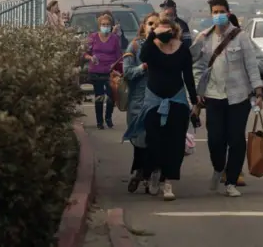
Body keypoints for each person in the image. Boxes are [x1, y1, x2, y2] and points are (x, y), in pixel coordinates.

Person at [190, 0, 263, 197]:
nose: (218, 15)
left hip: (238, 96)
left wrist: (258, 91)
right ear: (210, 14)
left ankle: (231, 181)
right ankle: (218, 168)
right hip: (213, 95)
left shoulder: (241, 37)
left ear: (228, 13)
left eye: (222, 11)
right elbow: (195, 63)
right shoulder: (204, 37)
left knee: (236, 139)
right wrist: (197, 92)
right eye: (215, 12)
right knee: (215, 139)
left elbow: (251, 64)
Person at [135, 15, 197, 201]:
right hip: (154, 101)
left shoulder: (183, 50)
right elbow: (143, 57)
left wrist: (194, 102)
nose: (163, 33)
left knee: (175, 144)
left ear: (174, 31)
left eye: (166, 30)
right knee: (154, 142)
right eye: (159, 29)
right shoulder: (151, 47)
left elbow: (188, 76)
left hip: (177, 101)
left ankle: (169, 182)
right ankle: (154, 173)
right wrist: (152, 35)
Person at [122, 12, 159, 194]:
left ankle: (146, 175)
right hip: (138, 100)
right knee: (140, 140)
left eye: (157, 24)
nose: (153, 26)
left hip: (159, 100)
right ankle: (139, 172)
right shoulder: (135, 46)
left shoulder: (165, 46)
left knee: (154, 141)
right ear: (143, 26)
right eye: (150, 23)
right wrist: (143, 67)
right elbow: (127, 72)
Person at [84, 13, 122, 129]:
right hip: (96, 70)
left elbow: (118, 56)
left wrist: (116, 67)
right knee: (99, 96)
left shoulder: (114, 39)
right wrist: (91, 58)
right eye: (103, 24)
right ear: (99, 25)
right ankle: (99, 122)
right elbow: (85, 53)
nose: (105, 26)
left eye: (107, 24)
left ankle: (108, 118)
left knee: (111, 96)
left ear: (111, 26)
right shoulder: (93, 37)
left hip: (109, 72)